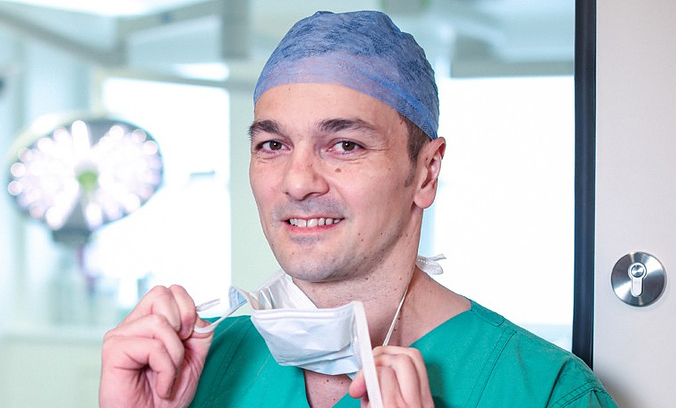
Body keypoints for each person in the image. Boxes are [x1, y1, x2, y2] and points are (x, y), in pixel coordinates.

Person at [99, 10, 617, 408]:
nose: (297, 182)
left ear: (426, 173)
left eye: (345, 145)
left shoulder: (543, 390)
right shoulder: (187, 367)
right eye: (273, 145)